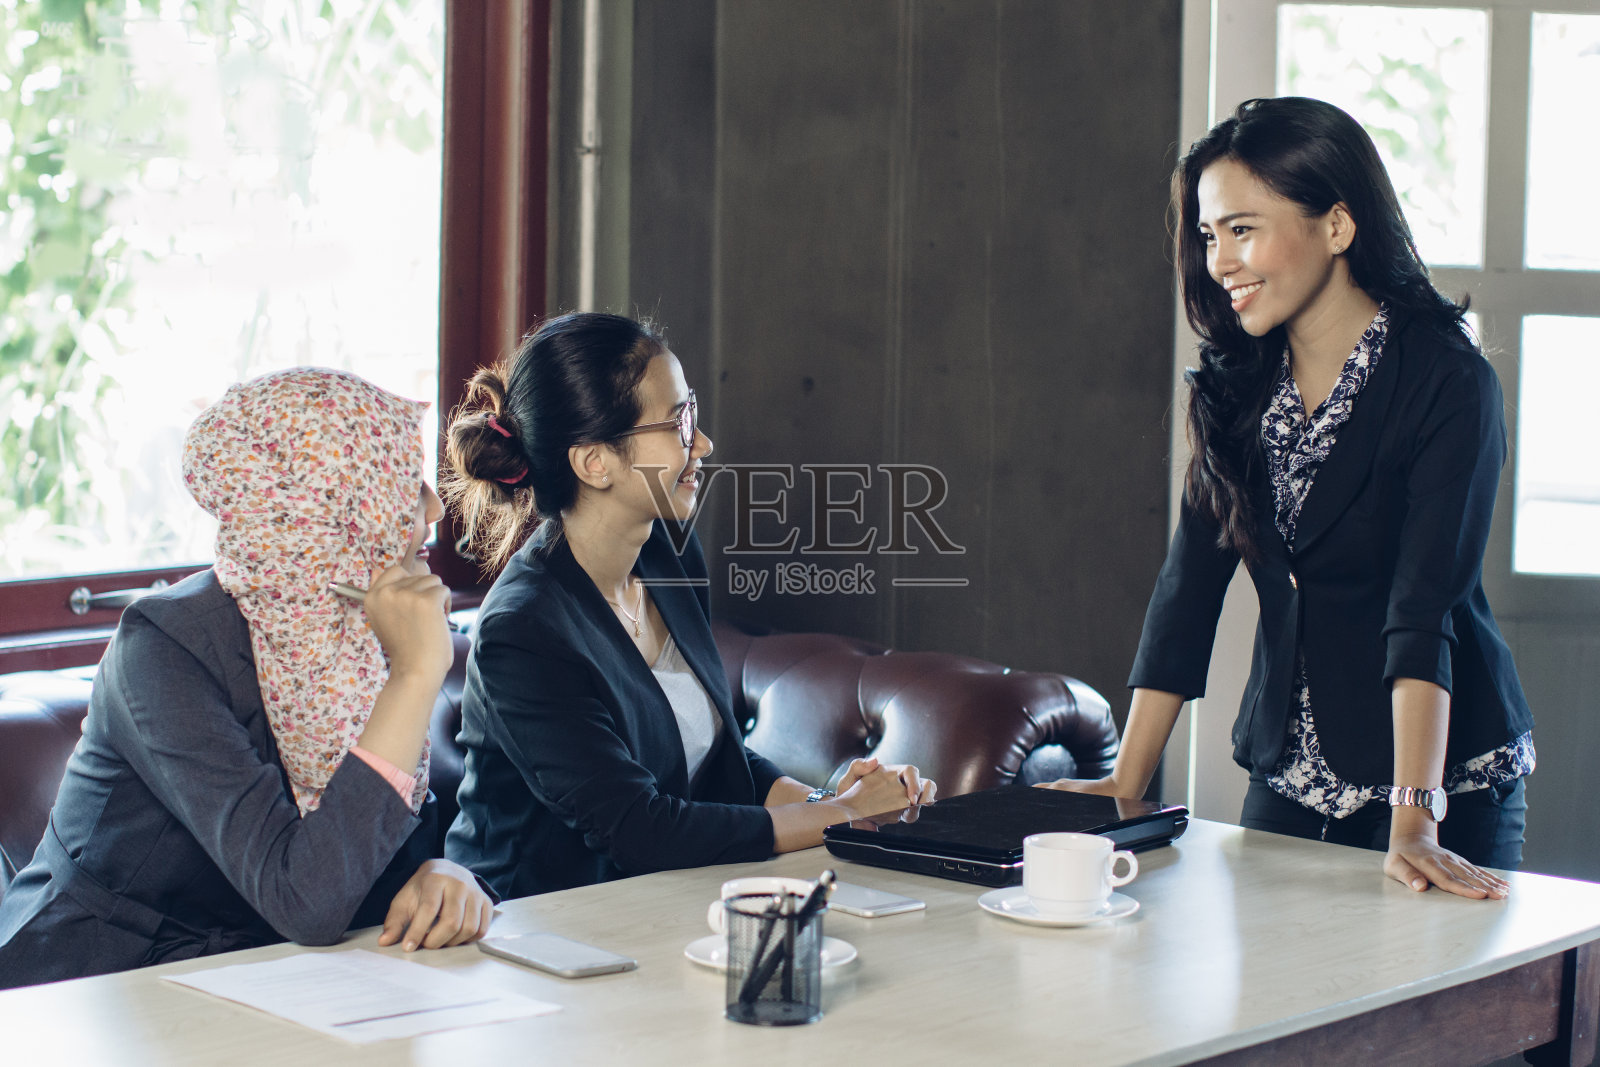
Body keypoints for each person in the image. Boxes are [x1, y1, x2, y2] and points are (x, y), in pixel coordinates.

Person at [1043, 97, 1533, 899]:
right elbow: (1187, 591)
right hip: (1292, 772)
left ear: (1338, 225)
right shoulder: (1238, 386)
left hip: (1441, 782)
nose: (1219, 260)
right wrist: (1124, 783)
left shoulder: (1449, 383)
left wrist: (1416, 815)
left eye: (1243, 228)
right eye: (1209, 235)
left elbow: (1424, 610)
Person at [0, 369, 494, 989]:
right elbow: (306, 899)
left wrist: (448, 873)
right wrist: (417, 676)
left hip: (272, 977)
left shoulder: (363, 621)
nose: (433, 506)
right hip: (90, 987)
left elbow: (379, 839)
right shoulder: (163, 648)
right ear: (323, 505)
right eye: (400, 481)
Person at [442, 312, 935, 898]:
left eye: (692, 413)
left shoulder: (667, 555)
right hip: (530, 931)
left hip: (661, 905)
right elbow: (641, 832)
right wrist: (841, 814)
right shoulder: (522, 630)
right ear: (594, 462)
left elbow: (725, 763)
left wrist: (841, 803)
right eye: (678, 423)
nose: (702, 443)